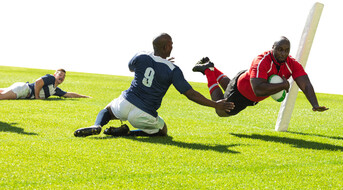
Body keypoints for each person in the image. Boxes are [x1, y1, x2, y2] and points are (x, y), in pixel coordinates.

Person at [74, 33, 234, 137]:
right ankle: (128, 134)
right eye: (171, 44)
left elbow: (132, 67)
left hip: (125, 102)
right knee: (162, 131)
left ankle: (97, 126)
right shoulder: (173, 70)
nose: (172, 46)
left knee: (107, 110)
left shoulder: (140, 55)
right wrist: (215, 104)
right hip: (143, 113)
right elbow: (190, 94)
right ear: (165, 47)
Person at [192, 36, 328, 117]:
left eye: (286, 51)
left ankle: (211, 67)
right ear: (273, 48)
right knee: (220, 110)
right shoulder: (262, 61)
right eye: (280, 49)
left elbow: (305, 84)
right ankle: (209, 71)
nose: (283, 53)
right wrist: (283, 85)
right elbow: (258, 89)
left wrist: (314, 104)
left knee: (229, 86)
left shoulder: (291, 63)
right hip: (241, 91)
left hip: (249, 91)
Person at [0, 69, 90, 100]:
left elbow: (68, 94)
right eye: (60, 74)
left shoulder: (54, 89)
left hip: (22, 88)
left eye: (63, 76)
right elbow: (38, 81)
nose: (62, 77)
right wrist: (37, 96)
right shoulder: (51, 78)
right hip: (24, 90)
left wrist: (84, 96)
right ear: (55, 75)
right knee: (2, 97)